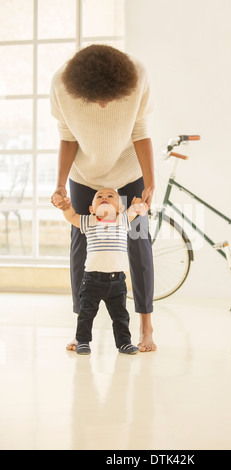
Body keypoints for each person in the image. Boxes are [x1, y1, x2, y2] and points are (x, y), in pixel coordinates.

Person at [50, 44, 156, 352]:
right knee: (80, 243)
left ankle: (146, 326)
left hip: (129, 172)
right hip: (85, 178)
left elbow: (141, 131)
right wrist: (60, 185)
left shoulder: (138, 78)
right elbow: (67, 138)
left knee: (139, 241)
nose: (106, 105)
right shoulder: (61, 86)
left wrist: (150, 184)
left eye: (113, 98)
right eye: (98, 101)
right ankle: (81, 328)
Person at [52, 188, 149, 355]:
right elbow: (72, 217)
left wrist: (140, 206)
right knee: (86, 314)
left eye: (110, 196)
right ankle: (83, 341)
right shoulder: (89, 221)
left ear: (120, 208)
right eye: (99, 197)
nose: (105, 197)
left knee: (121, 317)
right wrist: (66, 207)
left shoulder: (123, 219)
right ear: (92, 209)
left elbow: (136, 210)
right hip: (92, 280)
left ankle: (124, 342)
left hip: (117, 281)